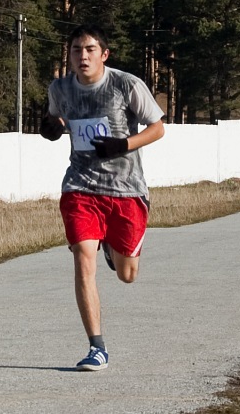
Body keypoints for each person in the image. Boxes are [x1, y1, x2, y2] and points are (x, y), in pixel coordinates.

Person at [39, 25, 166, 371]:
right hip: (80, 187)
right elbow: (57, 119)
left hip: (126, 189)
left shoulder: (126, 84)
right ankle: (96, 347)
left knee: (127, 275)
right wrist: (51, 127)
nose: (83, 56)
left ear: (104, 54)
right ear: (69, 55)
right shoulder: (60, 88)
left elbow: (157, 127)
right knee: (83, 258)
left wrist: (123, 144)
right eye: (76, 50)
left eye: (90, 49)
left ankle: (112, 246)